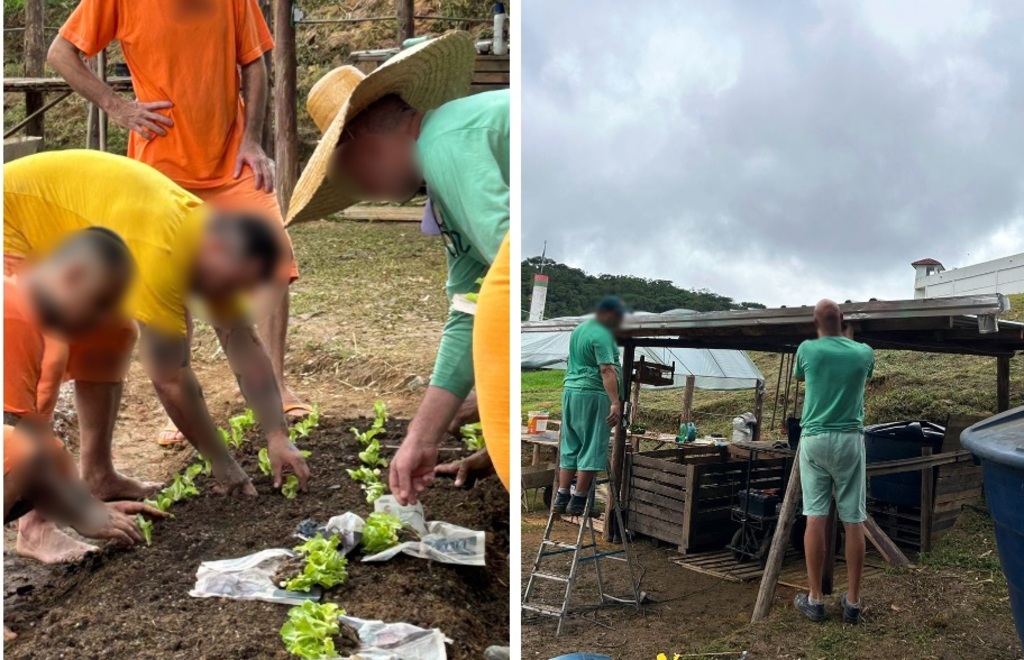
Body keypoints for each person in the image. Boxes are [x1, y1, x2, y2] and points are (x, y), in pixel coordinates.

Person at [4, 150, 310, 562]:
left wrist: (277, 436)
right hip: (13, 215)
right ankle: (35, 526)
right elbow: (170, 377)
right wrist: (223, 466)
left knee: (111, 334)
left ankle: (97, 476)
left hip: (75, 225)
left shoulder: (208, 242)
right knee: (42, 352)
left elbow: (241, 339)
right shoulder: (160, 254)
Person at [47, 0, 311, 445]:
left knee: (274, 266)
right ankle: (184, 407)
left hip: (231, 162)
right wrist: (117, 106)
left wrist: (251, 140)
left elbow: (255, 63)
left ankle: (278, 389)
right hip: (159, 169)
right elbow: (61, 52)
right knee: (173, 285)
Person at [283, 33, 510, 504]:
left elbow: (519, 279)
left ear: (364, 149)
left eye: (355, 181)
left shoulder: (447, 143)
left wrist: (499, 410)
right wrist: (422, 438)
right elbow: (470, 308)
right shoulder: (444, 177)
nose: (369, 194)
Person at [4, 229, 167, 638]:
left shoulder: (32, 318)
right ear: (73, 275)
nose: (98, 322)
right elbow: (14, 445)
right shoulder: (14, 316)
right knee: (15, 452)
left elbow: (32, 439)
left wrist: (83, 506)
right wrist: (80, 507)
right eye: (99, 305)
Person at [792, 299, 875, 624]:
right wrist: (849, 335)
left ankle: (815, 599)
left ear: (816, 323)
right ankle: (852, 601)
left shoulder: (807, 350)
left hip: (814, 440)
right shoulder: (864, 352)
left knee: (815, 516)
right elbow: (860, 369)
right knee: (853, 519)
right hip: (849, 440)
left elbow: (802, 377)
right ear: (842, 319)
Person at [553, 297, 626, 516]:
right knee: (592, 444)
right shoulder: (602, 334)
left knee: (571, 443)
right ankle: (579, 500)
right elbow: (606, 369)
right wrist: (615, 401)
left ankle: (562, 495)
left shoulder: (580, 330)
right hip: (593, 394)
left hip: (571, 393)